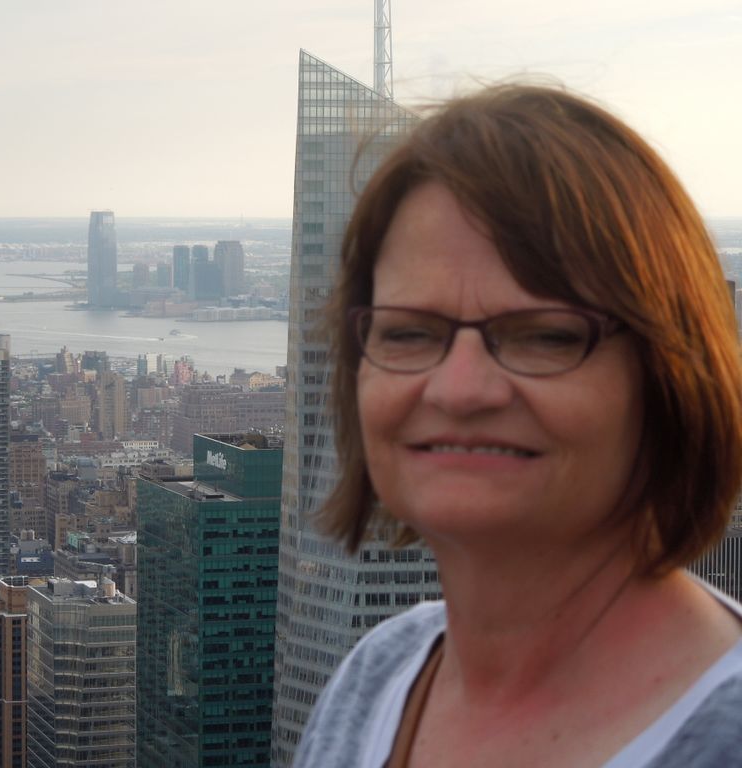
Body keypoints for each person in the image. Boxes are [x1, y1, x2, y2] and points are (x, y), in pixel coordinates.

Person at [293, 84, 742, 767]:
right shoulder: (375, 678)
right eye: (410, 333)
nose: (460, 389)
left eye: (546, 337)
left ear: (669, 376)